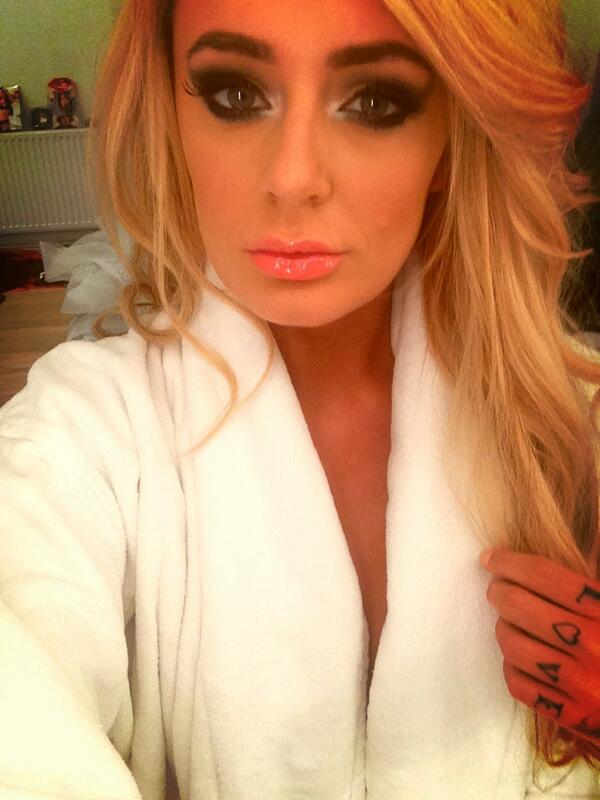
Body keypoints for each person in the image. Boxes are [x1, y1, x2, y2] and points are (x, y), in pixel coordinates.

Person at [1, 0, 600, 798]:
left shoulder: (575, 423)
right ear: (171, 115)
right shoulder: (76, 435)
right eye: (235, 95)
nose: (292, 178)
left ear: (454, 136)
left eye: (376, 101)